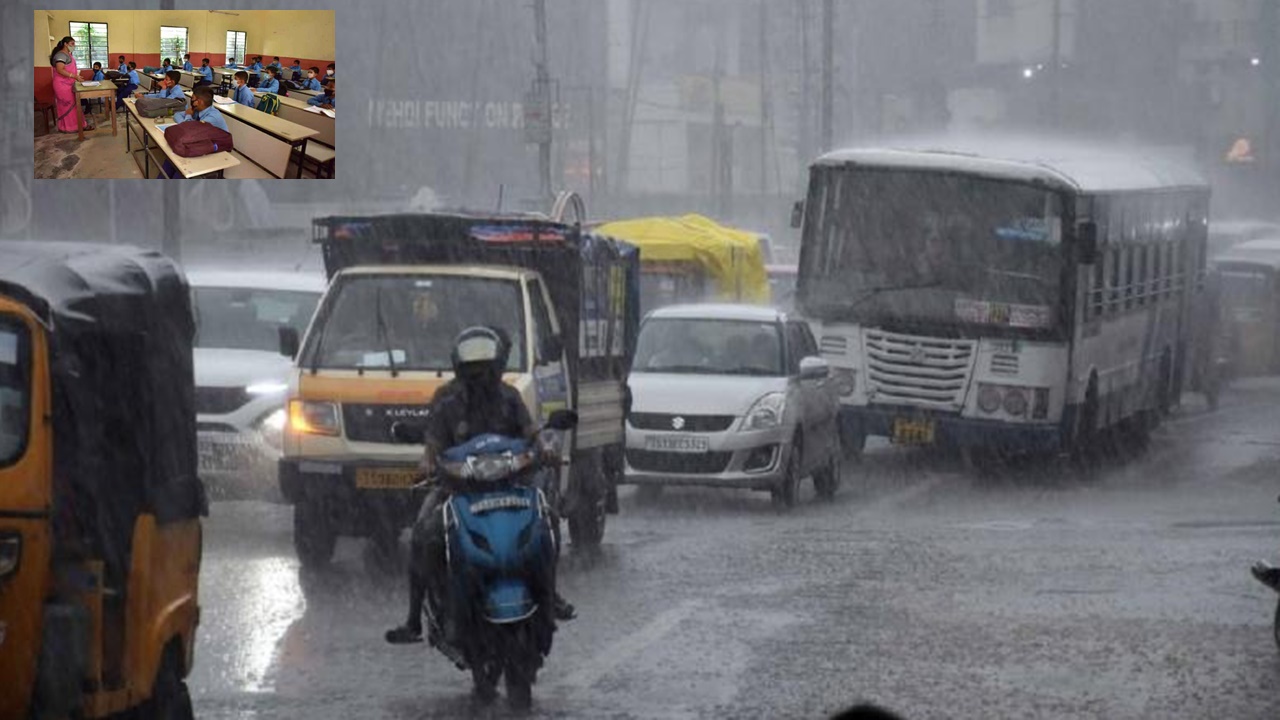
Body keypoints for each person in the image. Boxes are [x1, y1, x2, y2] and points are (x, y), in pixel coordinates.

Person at [385, 327, 574, 647]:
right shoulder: (445, 400)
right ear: (460, 368)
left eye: (487, 369)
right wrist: (428, 462)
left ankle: (549, 593)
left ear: (498, 366)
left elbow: (530, 432)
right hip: (458, 489)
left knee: (548, 520)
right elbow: (433, 440)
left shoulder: (511, 397)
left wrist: (544, 447)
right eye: (474, 369)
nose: (481, 376)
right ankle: (414, 619)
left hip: (510, 485)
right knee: (423, 535)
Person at [159, 86, 229, 179]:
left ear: (199, 102)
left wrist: (188, 117)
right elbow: (177, 115)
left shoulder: (212, 117)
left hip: (216, 149)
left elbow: (190, 131)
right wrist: (187, 120)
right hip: (201, 141)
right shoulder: (198, 109)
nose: (191, 101)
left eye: (193, 99)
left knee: (181, 167)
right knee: (171, 159)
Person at [49, 37, 95, 134]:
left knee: (75, 105)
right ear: (65, 44)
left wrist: (76, 77)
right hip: (62, 85)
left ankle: (77, 125)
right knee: (69, 105)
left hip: (69, 83)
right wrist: (74, 76)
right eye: (72, 43)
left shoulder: (67, 55)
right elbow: (60, 69)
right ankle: (71, 127)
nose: (74, 45)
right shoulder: (61, 55)